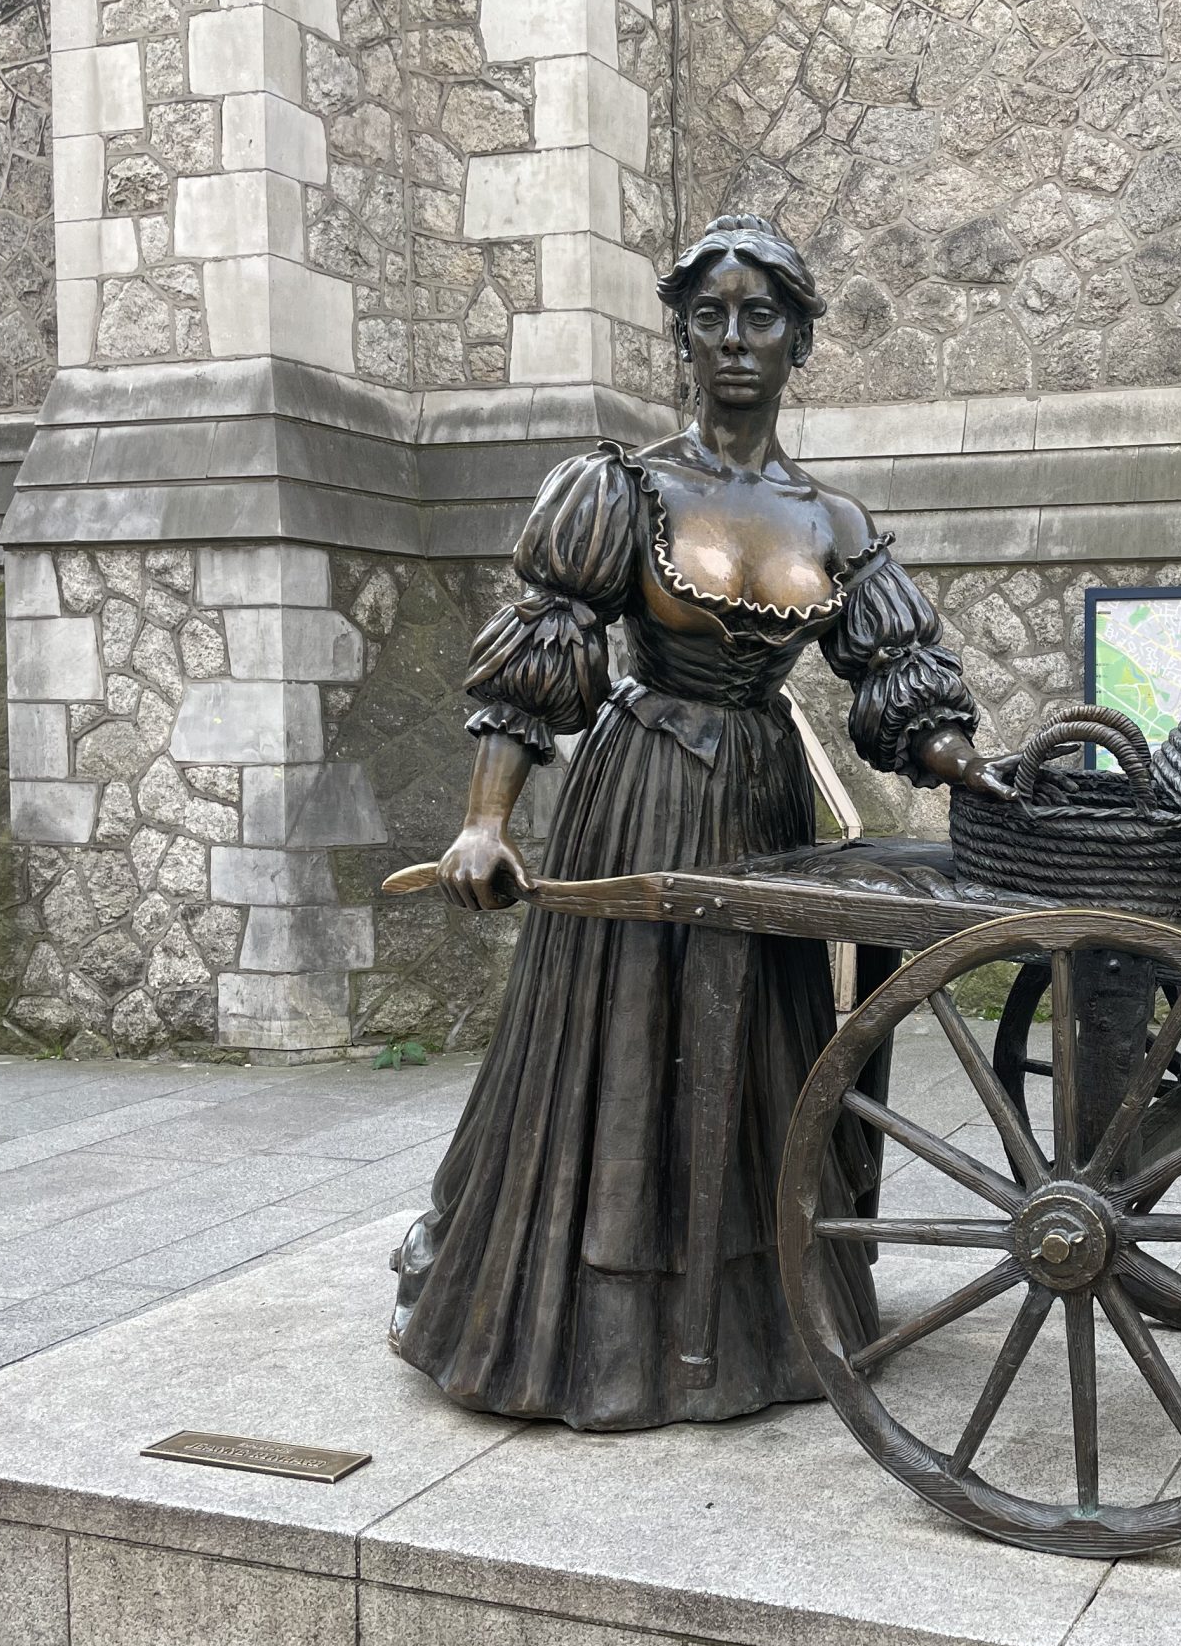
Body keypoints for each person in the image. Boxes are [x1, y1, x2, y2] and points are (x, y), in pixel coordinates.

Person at [387, 216, 1010, 1426]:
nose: (733, 340)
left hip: (763, 799)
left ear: (799, 343)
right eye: (709, 317)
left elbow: (895, 678)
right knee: (619, 1046)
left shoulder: (832, 521)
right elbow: (541, 657)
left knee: (759, 1048)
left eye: (759, 317)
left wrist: (961, 764)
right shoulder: (621, 489)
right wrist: (485, 822)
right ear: (681, 337)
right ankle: (585, 1331)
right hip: (640, 794)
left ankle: (758, 1327)